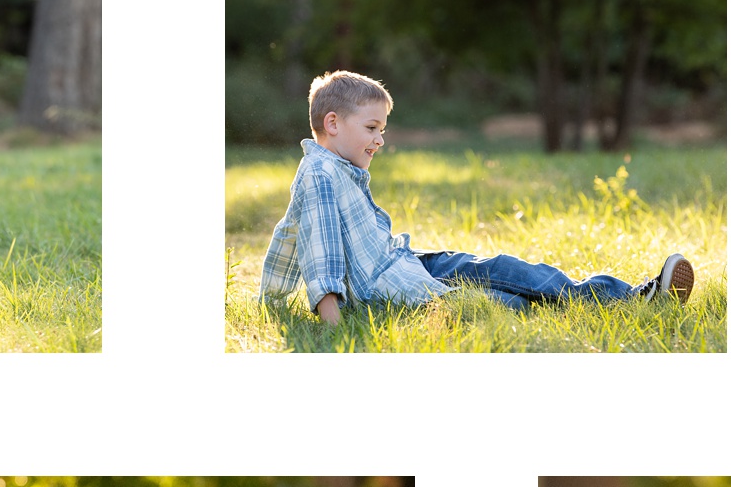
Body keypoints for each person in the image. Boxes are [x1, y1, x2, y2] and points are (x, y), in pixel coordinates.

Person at [260, 69, 695, 322]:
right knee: (504, 304)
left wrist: (273, 301)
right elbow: (321, 258)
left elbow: (288, 239)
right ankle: (626, 304)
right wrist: (332, 325)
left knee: (505, 268)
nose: (380, 140)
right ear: (333, 124)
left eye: (382, 130)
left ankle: (635, 296)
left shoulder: (338, 168)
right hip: (393, 291)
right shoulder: (319, 174)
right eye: (372, 128)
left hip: (409, 263)